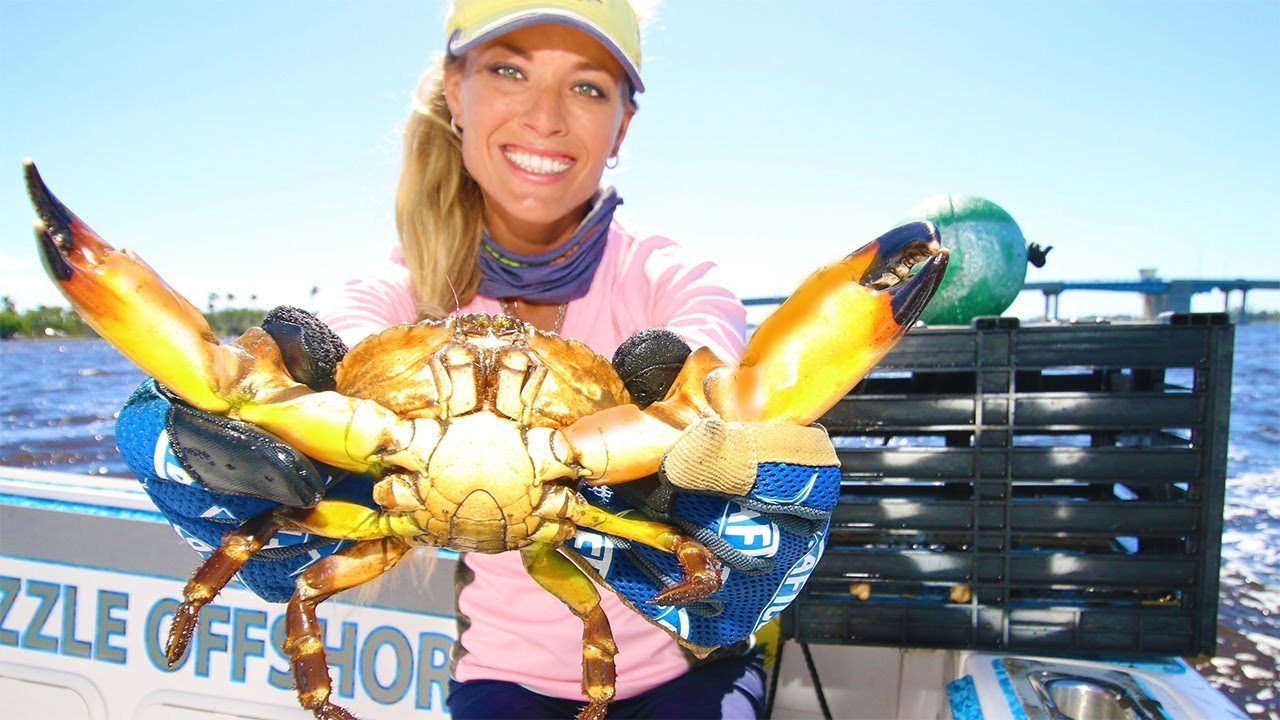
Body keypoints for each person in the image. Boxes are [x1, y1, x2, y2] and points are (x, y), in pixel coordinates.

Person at [114, 1, 842, 718]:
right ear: (454, 94)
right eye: (508, 70)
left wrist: (719, 442)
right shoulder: (392, 293)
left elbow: (719, 383)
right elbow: (324, 346)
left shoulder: (669, 279)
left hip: (691, 673)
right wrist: (256, 399)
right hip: (501, 676)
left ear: (623, 125)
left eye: (587, 86)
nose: (547, 116)